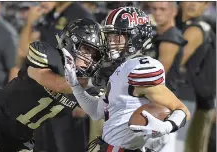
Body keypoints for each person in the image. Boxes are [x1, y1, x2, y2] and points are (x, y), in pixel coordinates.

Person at [0, 18, 106, 152]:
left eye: (95, 56)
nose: (89, 60)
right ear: (70, 42)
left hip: (22, 140)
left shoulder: (89, 87)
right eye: (86, 50)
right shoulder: (46, 55)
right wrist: (91, 82)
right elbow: (58, 85)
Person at [63, 6, 191, 152]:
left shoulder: (140, 66)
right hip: (109, 145)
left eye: (117, 36)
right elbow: (96, 112)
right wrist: (74, 85)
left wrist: (165, 127)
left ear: (136, 37)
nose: (110, 41)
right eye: (109, 36)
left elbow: (181, 110)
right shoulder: (120, 68)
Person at [143, 2, 188, 151]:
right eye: (154, 8)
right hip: (155, 103)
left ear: (174, 11)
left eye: (163, 9)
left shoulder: (170, 37)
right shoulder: (158, 35)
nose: (157, 13)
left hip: (164, 106)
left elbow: (157, 76)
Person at [179, 2, 216, 152]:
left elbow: (173, 65)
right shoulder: (200, 27)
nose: (193, 3)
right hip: (198, 102)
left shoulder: (196, 29)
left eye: (200, 0)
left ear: (206, 5)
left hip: (197, 103)